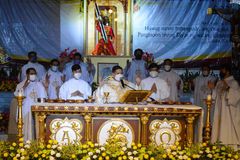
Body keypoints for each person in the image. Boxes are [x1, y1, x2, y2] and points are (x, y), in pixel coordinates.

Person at [209, 65, 240, 149]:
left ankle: (230, 146)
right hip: (219, 109)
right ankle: (219, 145)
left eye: (222, 69)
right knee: (219, 126)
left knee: (227, 126)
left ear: (228, 71)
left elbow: (236, 97)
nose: (220, 71)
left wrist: (229, 88)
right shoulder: (219, 82)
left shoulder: (234, 82)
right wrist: (212, 89)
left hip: (228, 111)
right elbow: (215, 96)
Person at [15, 68, 47, 141]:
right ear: (27, 74)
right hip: (26, 109)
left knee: (38, 127)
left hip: (37, 109)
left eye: (34, 73)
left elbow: (43, 97)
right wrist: (25, 86)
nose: (33, 75)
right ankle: (26, 142)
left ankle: (38, 142)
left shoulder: (39, 84)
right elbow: (17, 95)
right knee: (27, 127)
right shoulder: (21, 84)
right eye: (31, 73)